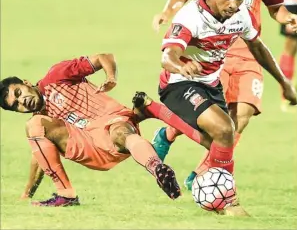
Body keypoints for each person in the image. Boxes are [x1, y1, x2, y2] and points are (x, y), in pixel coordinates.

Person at [151, 0, 297, 190]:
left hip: (248, 49)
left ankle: (206, 174)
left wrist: (289, 18)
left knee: (240, 118)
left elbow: (275, 8)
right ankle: (168, 132)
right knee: (207, 117)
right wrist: (167, 12)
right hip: (209, 50)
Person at [139, 0, 297, 216]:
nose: (233, 4)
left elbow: (258, 48)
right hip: (179, 85)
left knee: (223, 142)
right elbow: (168, 56)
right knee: (225, 130)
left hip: (211, 85)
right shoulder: (191, 17)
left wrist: (284, 82)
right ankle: (228, 203)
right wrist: (180, 67)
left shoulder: (240, 15)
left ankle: (166, 121)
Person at [0, 53, 183, 207]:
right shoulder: (41, 124)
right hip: (89, 146)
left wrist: (111, 78)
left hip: (113, 123)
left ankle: (157, 167)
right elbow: (40, 157)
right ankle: (66, 196)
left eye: (18, 93)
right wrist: (26, 194)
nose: (22, 101)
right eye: (16, 105)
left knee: (122, 133)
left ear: (25, 83)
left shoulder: (56, 76)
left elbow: (104, 57)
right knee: (35, 125)